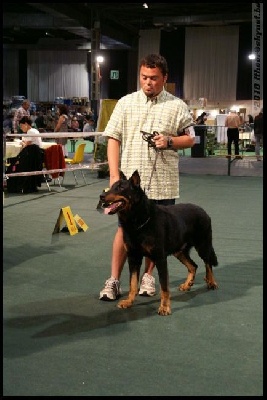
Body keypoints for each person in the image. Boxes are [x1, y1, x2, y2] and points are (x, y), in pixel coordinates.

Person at [99, 53, 195, 301]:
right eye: (144, 77)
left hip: (164, 183)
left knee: (157, 235)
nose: (148, 82)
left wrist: (170, 141)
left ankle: (148, 277)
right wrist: (113, 175)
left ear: (164, 77)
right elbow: (113, 138)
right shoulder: (125, 103)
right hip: (130, 188)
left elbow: (191, 139)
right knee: (123, 231)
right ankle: (113, 281)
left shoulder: (177, 106)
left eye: (153, 78)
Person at [6, 116, 44, 193]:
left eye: (21, 125)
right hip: (35, 157)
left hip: (32, 156)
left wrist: (23, 142)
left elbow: (26, 144)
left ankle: (13, 184)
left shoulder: (31, 131)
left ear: (26, 124)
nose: (21, 128)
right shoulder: (33, 131)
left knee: (14, 161)